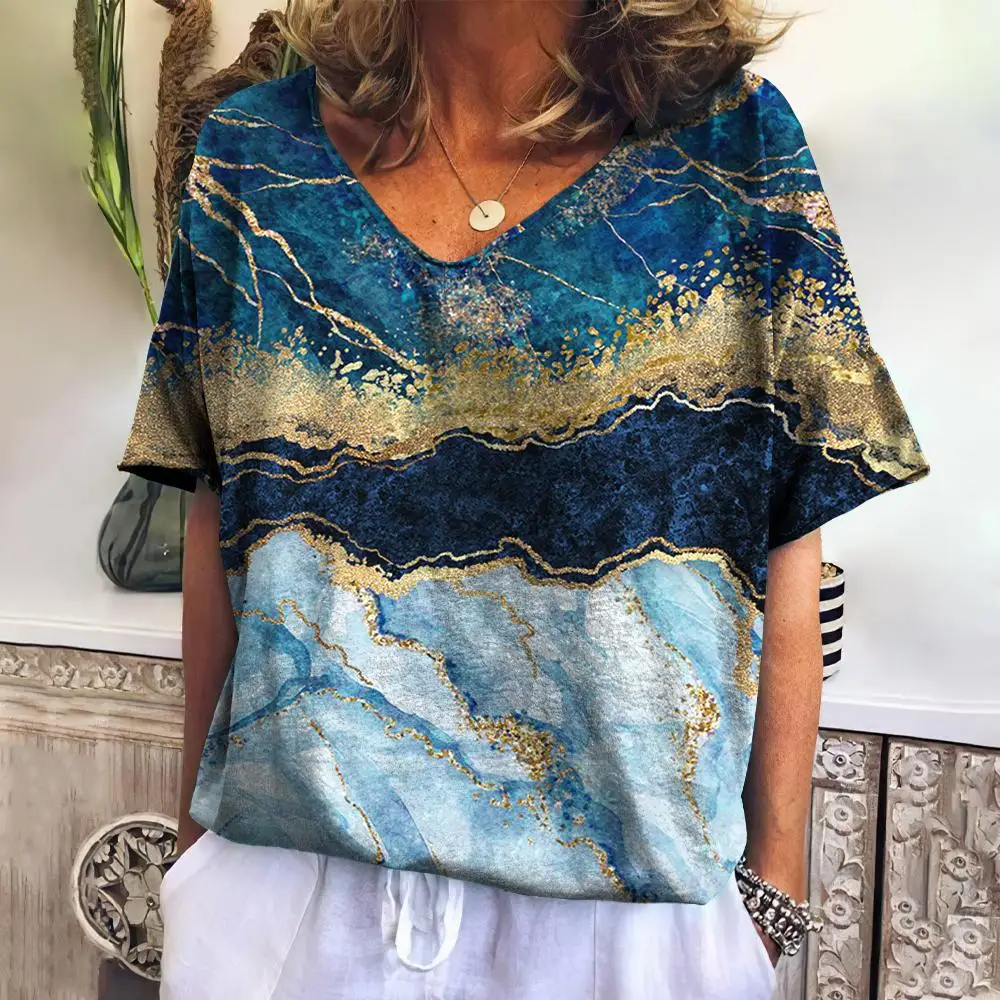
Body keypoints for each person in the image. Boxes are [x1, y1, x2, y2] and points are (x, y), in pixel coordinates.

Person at [120, 1, 929, 997]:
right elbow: (218, 514)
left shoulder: (732, 148)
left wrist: (775, 883)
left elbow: (789, 518)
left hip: (625, 928)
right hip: (290, 895)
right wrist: (195, 858)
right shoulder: (254, 155)